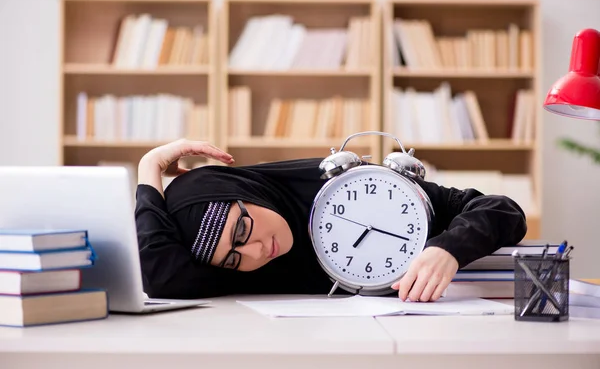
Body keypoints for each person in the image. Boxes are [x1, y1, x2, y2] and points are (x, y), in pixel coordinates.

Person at [135, 139, 527, 302]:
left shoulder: (356, 187)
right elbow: (159, 275)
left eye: (241, 229)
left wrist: (448, 249)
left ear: (247, 191)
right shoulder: (249, 267)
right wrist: (149, 165)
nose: (256, 251)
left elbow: (504, 210)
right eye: (234, 259)